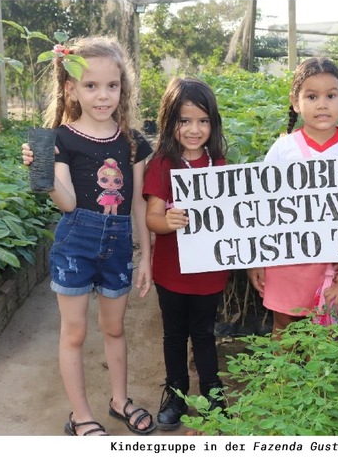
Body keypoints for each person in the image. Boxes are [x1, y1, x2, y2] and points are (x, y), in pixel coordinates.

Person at [21, 36, 155, 436]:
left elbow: (138, 205)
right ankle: (80, 415)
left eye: (111, 86)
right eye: (91, 86)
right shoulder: (60, 140)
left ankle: (119, 400)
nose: (102, 96)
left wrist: (145, 256)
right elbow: (67, 202)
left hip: (117, 248)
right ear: (71, 89)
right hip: (74, 245)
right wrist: (42, 175)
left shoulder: (132, 143)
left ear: (122, 88)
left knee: (115, 328)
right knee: (75, 332)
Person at [247, 57, 338, 339]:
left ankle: (317, 383)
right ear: (295, 101)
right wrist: (256, 261)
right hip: (286, 261)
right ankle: (281, 383)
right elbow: (260, 209)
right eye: (312, 96)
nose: (322, 104)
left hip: (335, 263)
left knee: (327, 335)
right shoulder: (282, 149)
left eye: (331, 95)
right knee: (284, 327)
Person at [142, 77, 230, 430]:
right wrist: (167, 220)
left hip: (210, 273)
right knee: (174, 335)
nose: (195, 130)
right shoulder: (163, 164)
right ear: (170, 122)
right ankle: (176, 394)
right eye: (185, 121)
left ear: (213, 123)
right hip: (171, 271)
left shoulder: (220, 165)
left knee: (206, 334)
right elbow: (151, 217)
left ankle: (212, 393)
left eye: (203, 121)